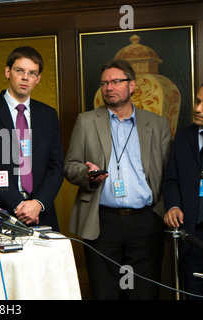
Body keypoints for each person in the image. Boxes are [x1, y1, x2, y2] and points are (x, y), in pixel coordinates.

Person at [64, 59, 171, 299]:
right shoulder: (86, 121)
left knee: (143, 292)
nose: (108, 87)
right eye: (104, 83)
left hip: (146, 220)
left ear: (132, 86)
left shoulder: (157, 124)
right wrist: (87, 175)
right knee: (105, 292)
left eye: (115, 82)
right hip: (102, 221)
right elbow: (70, 166)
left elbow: (168, 173)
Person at [0, 46, 64, 230]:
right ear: (8, 72)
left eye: (32, 73)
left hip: (41, 214)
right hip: (1, 211)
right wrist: (18, 205)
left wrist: (37, 203)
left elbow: (57, 166)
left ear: (38, 79)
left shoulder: (48, 114)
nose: (25, 77)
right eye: (19, 70)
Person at [163, 84, 203, 299]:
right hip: (192, 237)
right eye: (197, 101)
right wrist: (173, 205)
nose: (198, 109)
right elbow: (170, 181)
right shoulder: (183, 137)